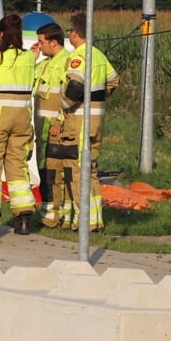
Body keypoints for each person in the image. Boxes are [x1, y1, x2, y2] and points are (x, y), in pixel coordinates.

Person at [0, 14, 38, 235]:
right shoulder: (30, 58)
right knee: (18, 164)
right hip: (22, 117)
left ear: (1, 34)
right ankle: (23, 218)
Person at [59, 12, 120, 232]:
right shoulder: (99, 55)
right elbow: (114, 80)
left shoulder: (78, 57)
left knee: (78, 171)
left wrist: (64, 105)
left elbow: (75, 87)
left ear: (74, 33)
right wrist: (99, 98)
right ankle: (95, 220)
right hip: (97, 119)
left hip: (80, 119)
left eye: (69, 31)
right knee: (91, 170)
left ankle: (84, 219)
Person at [32, 22, 72, 228]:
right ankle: (48, 212)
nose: (38, 46)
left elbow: (70, 97)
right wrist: (32, 60)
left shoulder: (67, 63)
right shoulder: (43, 64)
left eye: (41, 42)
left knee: (56, 173)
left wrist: (59, 122)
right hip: (42, 130)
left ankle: (58, 215)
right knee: (44, 171)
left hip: (56, 128)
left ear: (54, 42)